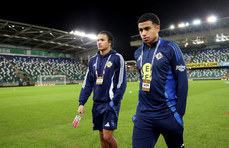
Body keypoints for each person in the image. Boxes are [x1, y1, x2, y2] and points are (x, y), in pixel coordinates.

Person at [132, 13, 188, 148]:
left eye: (147, 29)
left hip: (167, 113)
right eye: (140, 30)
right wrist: (139, 112)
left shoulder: (171, 48)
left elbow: (182, 83)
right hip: (144, 115)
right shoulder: (138, 53)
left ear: (157, 28)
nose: (143, 33)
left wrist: (179, 113)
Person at [78, 31, 127, 148]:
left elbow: (122, 82)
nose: (99, 42)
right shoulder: (92, 61)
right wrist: (81, 103)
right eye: (98, 40)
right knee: (101, 137)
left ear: (109, 42)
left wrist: (115, 101)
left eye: (102, 40)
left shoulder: (117, 58)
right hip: (97, 104)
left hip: (110, 103)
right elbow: (87, 83)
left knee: (107, 137)